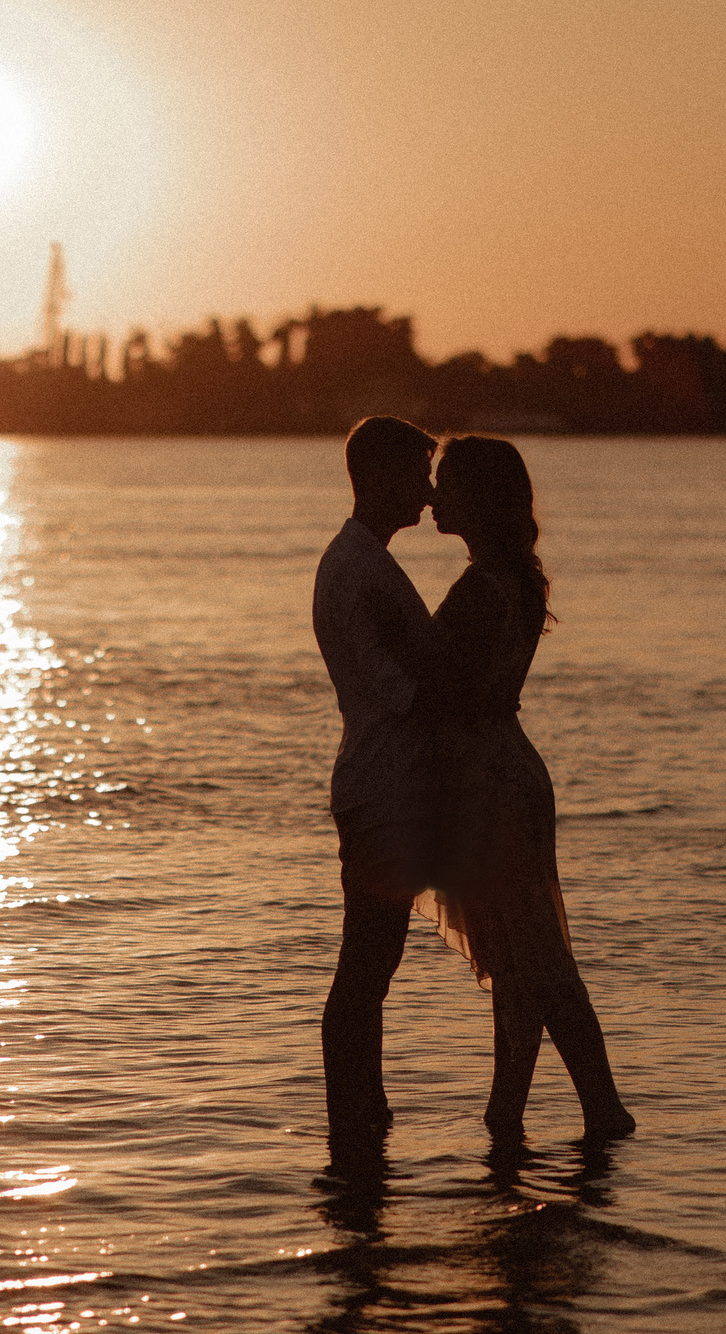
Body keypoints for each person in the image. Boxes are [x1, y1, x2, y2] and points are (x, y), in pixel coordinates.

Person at [415, 435, 634, 1139]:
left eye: (446, 484)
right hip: (511, 766)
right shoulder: (517, 581)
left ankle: (541, 1110)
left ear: (477, 497)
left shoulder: (479, 591)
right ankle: (548, 1107)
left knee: (525, 958)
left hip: (486, 782)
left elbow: (440, 690)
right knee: (533, 956)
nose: (432, 495)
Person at [311, 415, 444, 1143]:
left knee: (373, 959)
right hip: (380, 789)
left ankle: (365, 1109)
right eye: (418, 476)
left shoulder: (358, 560)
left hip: (382, 785)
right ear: (383, 476)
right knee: (367, 959)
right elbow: (397, 687)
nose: (427, 494)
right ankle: (354, 1113)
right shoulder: (358, 569)